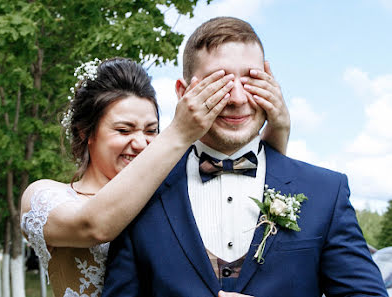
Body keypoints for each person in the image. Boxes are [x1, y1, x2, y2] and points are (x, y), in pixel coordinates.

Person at [101, 18, 388, 297]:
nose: (238, 98)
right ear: (183, 92)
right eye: (220, 80)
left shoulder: (326, 191)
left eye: (251, 79)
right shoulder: (140, 193)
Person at [20, 57, 290, 297]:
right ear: (84, 132)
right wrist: (180, 132)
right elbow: (94, 225)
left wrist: (279, 127)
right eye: (124, 130)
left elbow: (249, 178)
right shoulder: (44, 197)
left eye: (151, 131)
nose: (141, 143)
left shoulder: (169, 194)